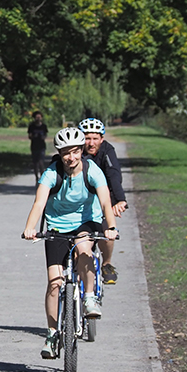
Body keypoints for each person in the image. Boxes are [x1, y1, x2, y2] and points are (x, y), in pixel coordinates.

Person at [22, 127, 118, 359]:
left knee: (84, 249)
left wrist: (111, 227)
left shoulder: (92, 170)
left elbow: (105, 201)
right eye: (66, 152)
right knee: (54, 282)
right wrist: (30, 227)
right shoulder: (51, 173)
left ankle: (89, 298)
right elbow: (39, 203)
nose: (71, 157)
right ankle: (52, 333)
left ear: (81, 150)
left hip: (86, 222)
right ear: (59, 153)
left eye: (75, 151)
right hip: (56, 227)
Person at [78, 117, 127, 284]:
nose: (91, 143)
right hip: (82, 196)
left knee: (107, 227)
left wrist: (120, 200)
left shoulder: (107, 150)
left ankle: (106, 263)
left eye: (95, 138)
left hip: (104, 194)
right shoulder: (75, 151)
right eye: (87, 138)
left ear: (102, 139)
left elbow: (114, 175)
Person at [27, 111, 49, 182]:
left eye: (39, 117)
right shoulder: (32, 126)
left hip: (42, 146)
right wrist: (34, 136)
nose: (38, 118)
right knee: (35, 163)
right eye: (37, 117)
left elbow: (46, 135)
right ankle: (36, 177)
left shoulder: (43, 126)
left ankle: (42, 177)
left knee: (41, 162)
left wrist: (43, 137)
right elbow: (29, 136)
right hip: (34, 146)